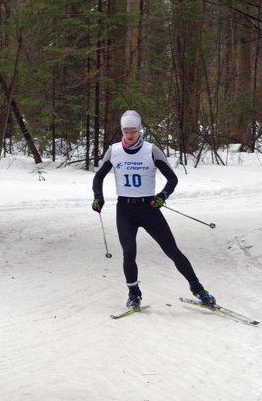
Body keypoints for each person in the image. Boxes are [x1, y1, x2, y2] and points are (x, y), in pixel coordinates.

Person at [92, 110, 216, 309]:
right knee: (129, 252)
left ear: (140, 130)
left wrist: (162, 196)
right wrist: (98, 197)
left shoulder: (151, 150)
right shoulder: (114, 151)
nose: (129, 134)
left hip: (148, 208)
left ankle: (198, 289)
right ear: (121, 131)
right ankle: (134, 293)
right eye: (126, 130)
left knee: (172, 250)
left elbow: (172, 179)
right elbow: (98, 177)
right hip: (125, 209)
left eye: (133, 130)